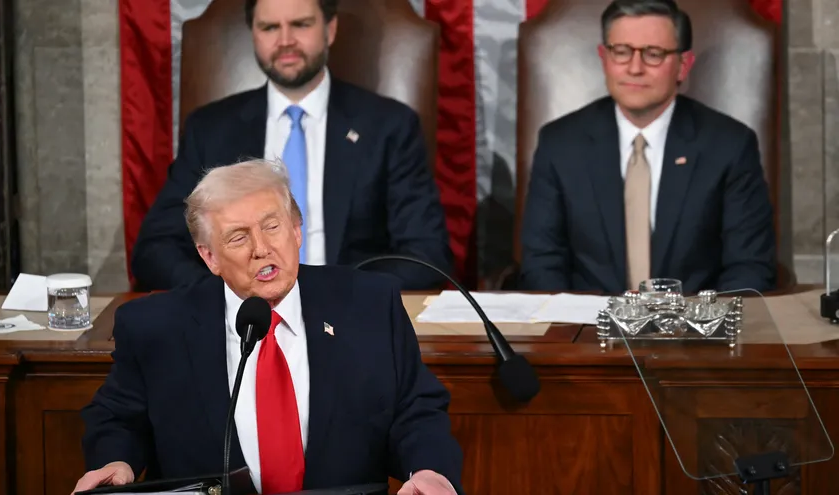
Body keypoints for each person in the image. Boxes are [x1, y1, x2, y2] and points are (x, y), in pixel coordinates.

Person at [73, 159, 463, 495]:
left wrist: (429, 470)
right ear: (209, 257)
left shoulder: (369, 304)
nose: (261, 248)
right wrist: (116, 462)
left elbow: (415, 409)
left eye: (272, 227)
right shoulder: (157, 326)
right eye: (238, 237)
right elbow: (117, 417)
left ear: (296, 231)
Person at [131, 0, 452, 292]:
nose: (285, 40)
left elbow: (426, 253)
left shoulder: (389, 126)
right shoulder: (212, 129)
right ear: (254, 34)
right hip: (244, 321)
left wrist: (341, 293)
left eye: (300, 24)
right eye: (270, 27)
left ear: (330, 29)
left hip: (348, 316)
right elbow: (156, 248)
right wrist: (227, 294)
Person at [519, 0, 777, 294]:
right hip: (588, 330)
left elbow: (749, 266)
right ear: (604, 58)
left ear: (683, 65)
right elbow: (542, 263)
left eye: (653, 55)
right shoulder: (560, 144)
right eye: (621, 52)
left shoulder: (729, 145)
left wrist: (708, 330)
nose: (634, 68)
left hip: (694, 332)